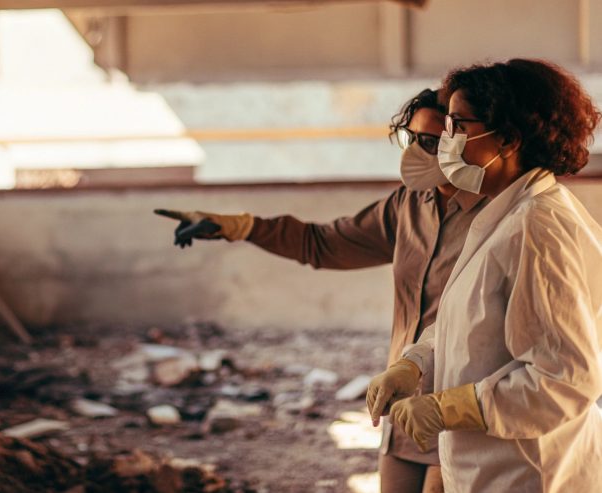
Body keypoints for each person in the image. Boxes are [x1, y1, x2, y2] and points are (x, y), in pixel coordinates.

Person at [157, 88, 488, 493]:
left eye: (430, 142)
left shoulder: (498, 214)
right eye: (412, 138)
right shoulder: (409, 205)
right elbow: (324, 243)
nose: (416, 152)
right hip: (403, 403)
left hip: (464, 408)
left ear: (462, 141)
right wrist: (240, 227)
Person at [366, 59, 602, 492]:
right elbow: (470, 320)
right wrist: (414, 363)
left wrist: (449, 407)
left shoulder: (537, 228)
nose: (446, 141)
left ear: (508, 139)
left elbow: (564, 380)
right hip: (492, 468)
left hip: (528, 473)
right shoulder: (503, 215)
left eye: (458, 126)